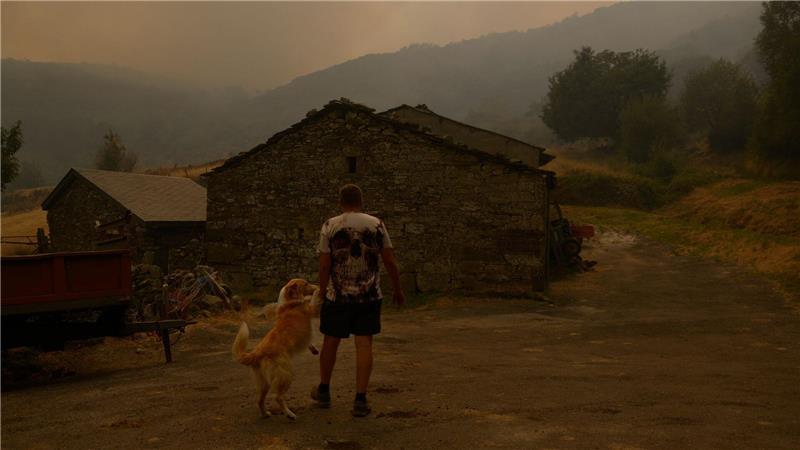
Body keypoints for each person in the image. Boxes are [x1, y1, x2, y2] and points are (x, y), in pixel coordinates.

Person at [311, 184, 405, 417]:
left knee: (330, 341)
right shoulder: (376, 225)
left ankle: (324, 390)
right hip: (369, 296)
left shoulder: (330, 225)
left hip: (337, 296)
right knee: (364, 344)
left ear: (340, 201)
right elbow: (390, 261)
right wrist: (398, 289)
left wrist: (322, 291)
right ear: (361, 200)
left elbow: (324, 264)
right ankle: (360, 398)